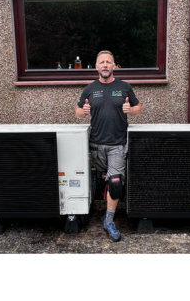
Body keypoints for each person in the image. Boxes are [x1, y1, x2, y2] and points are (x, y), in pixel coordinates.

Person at [74, 50, 141, 241]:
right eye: (101, 62)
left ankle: (109, 219)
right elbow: (78, 111)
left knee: (115, 182)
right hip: (95, 144)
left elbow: (138, 108)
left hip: (117, 145)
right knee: (100, 178)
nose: (104, 65)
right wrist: (82, 111)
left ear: (114, 66)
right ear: (96, 66)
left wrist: (131, 110)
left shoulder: (124, 87)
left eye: (108, 62)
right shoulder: (89, 89)